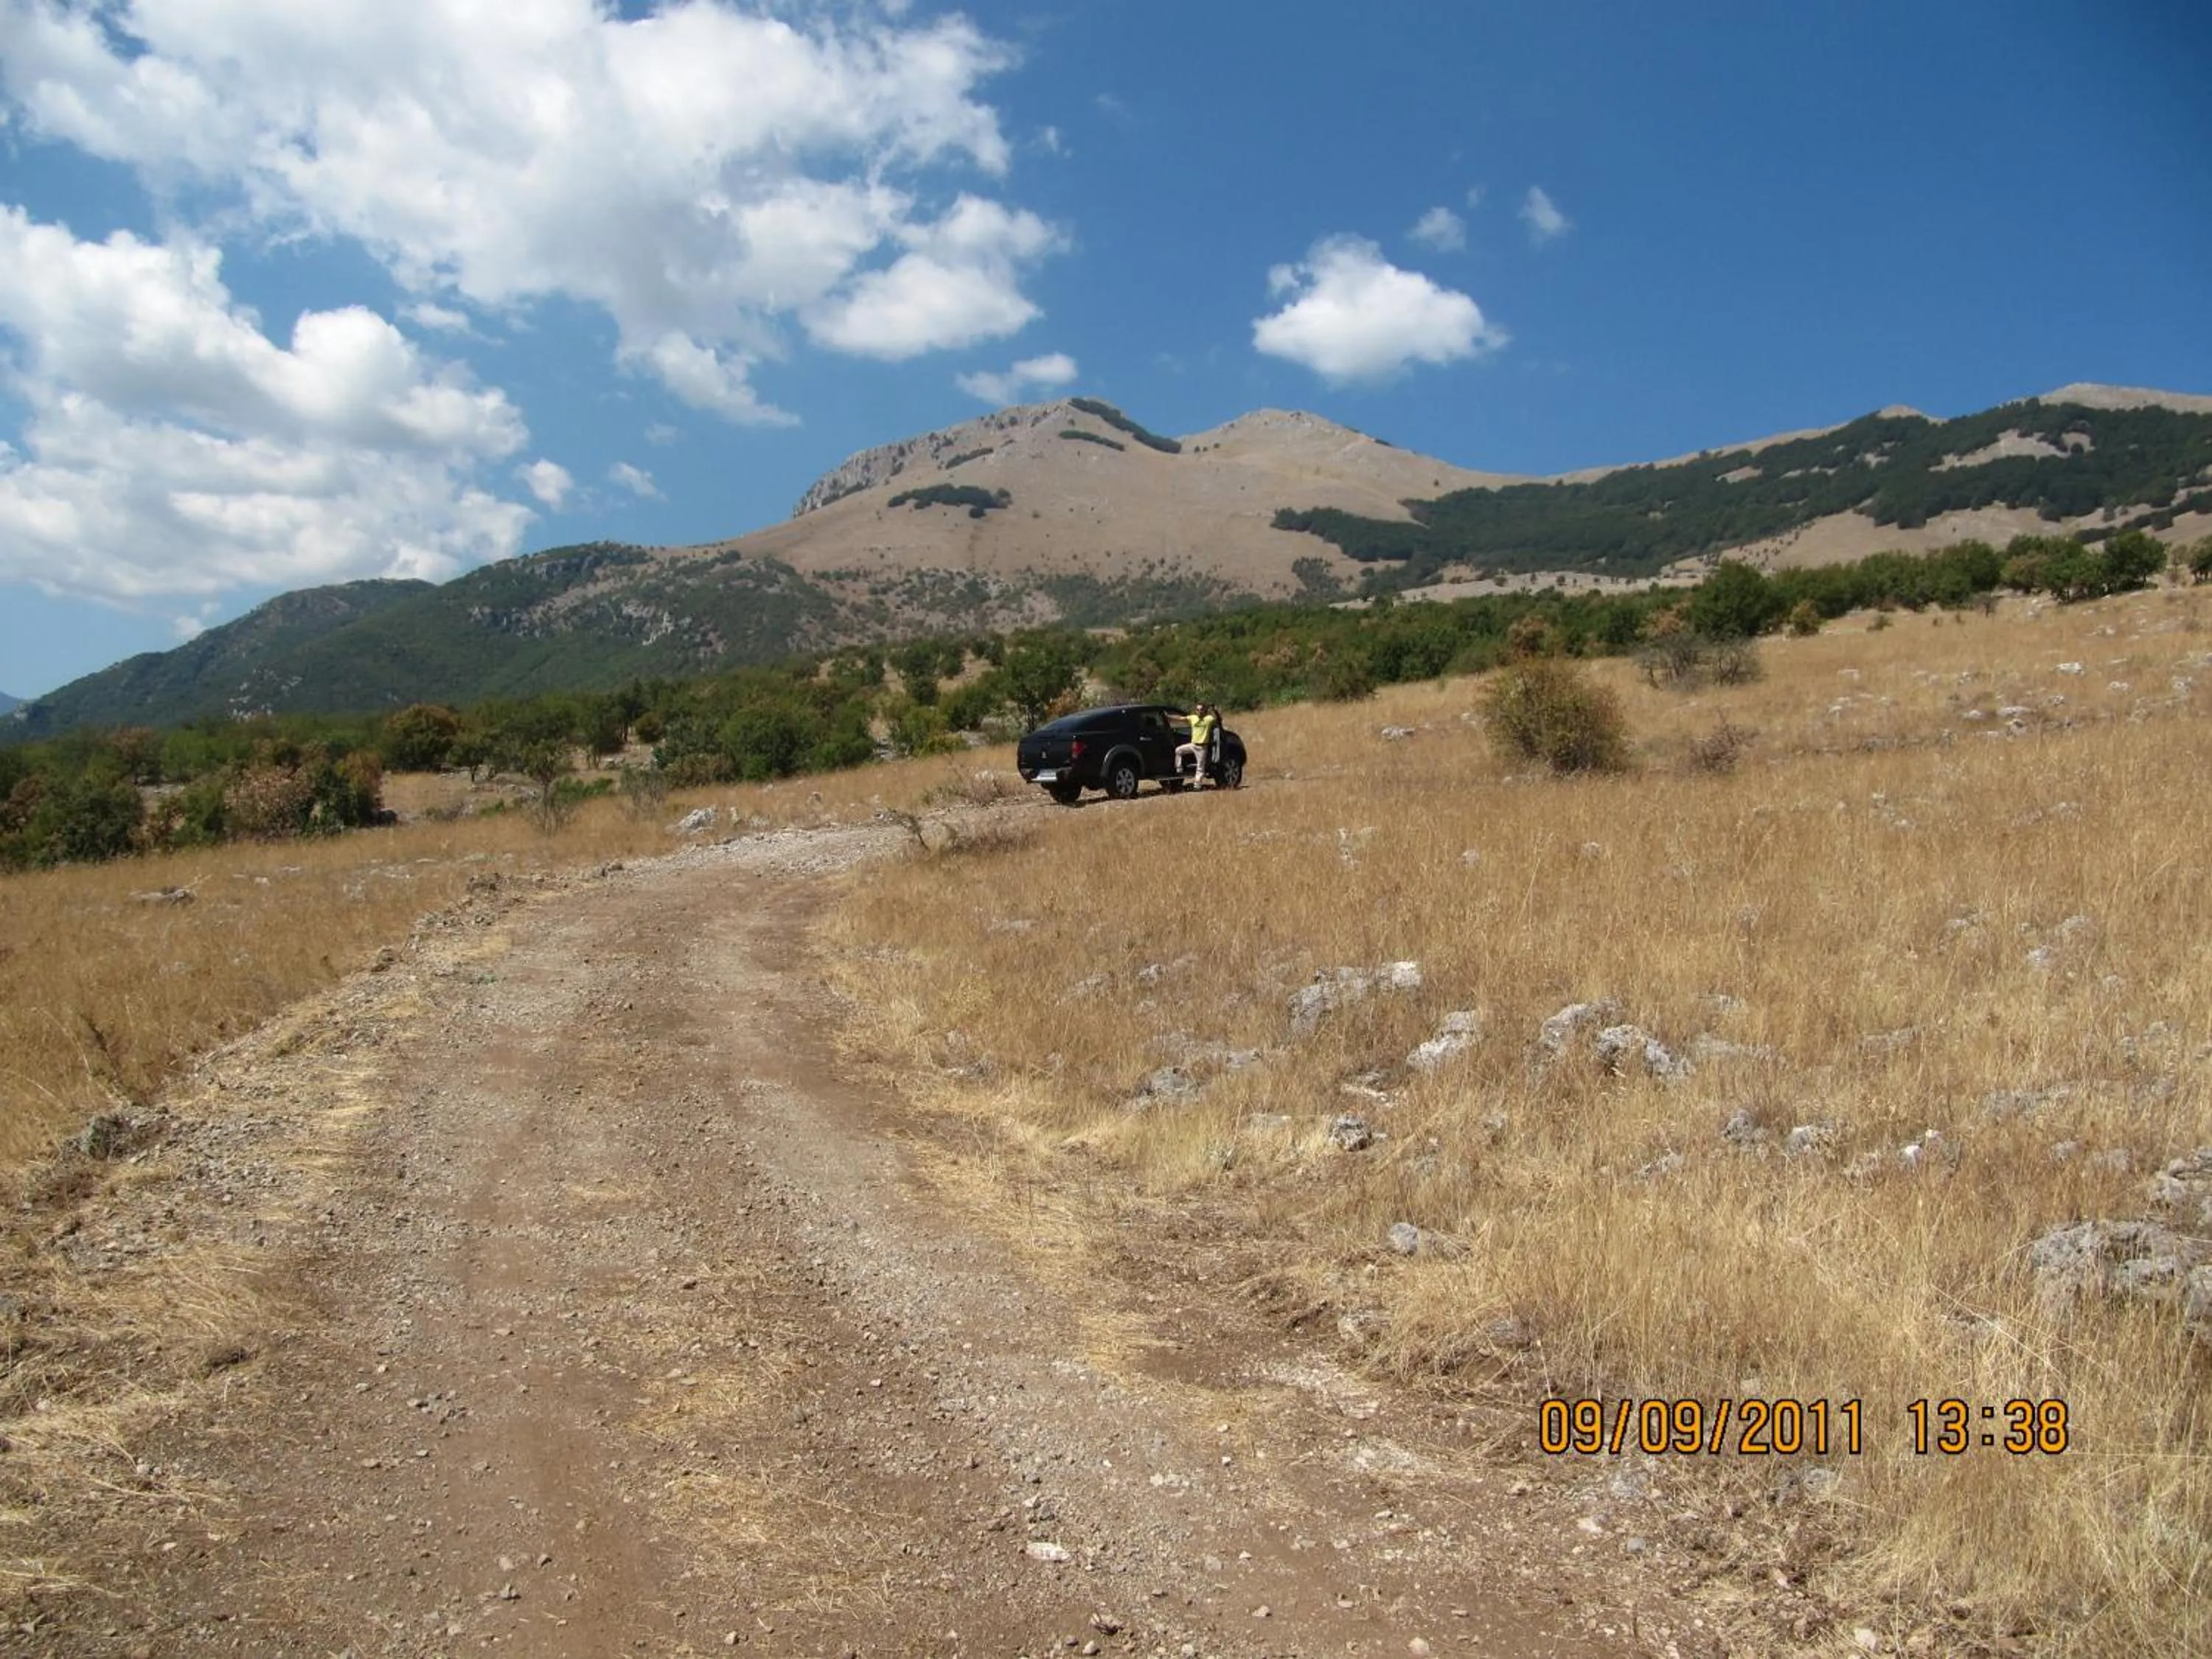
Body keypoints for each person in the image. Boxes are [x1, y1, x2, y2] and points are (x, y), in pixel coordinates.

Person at [1176, 702, 1218, 787]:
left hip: (1202, 747)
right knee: (1178, 750)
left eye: (1201, 710)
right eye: (1198, 710)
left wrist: (1213, 710)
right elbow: (1180, 719)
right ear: (1196, 711)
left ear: (1204, 711)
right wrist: (1167, 716)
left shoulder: (1208, 719)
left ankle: (1197, 785)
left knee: (1200, 767)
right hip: (1193, 745)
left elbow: (1217, 719)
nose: (1199, 711)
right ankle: (1179, 768)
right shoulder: (1193, 718)